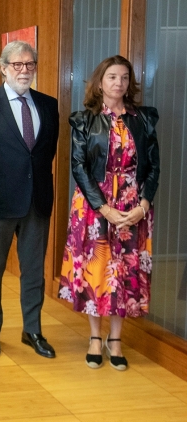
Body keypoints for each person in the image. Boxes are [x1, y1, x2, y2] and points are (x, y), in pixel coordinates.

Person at [59, 55, 160, 371]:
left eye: (125, 78)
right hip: (94, 204)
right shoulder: (84, 120)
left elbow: (154, 166)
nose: (119, 83)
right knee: (98, 269)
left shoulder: (142, 119)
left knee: (124, 272)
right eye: (113, 77)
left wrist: (143, 205)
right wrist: (102, 207)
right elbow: (78, 165)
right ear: (100, 81)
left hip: (133, 205)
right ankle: (94, 336)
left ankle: (115, 338)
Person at [0, 41, 60, 359]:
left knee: (34, 271)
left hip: (37, 202)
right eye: (17, 65)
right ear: (3, 68)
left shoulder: (49, 105)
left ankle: (32, 330)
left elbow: (46, 153)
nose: (24, 70)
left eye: (29, 64)